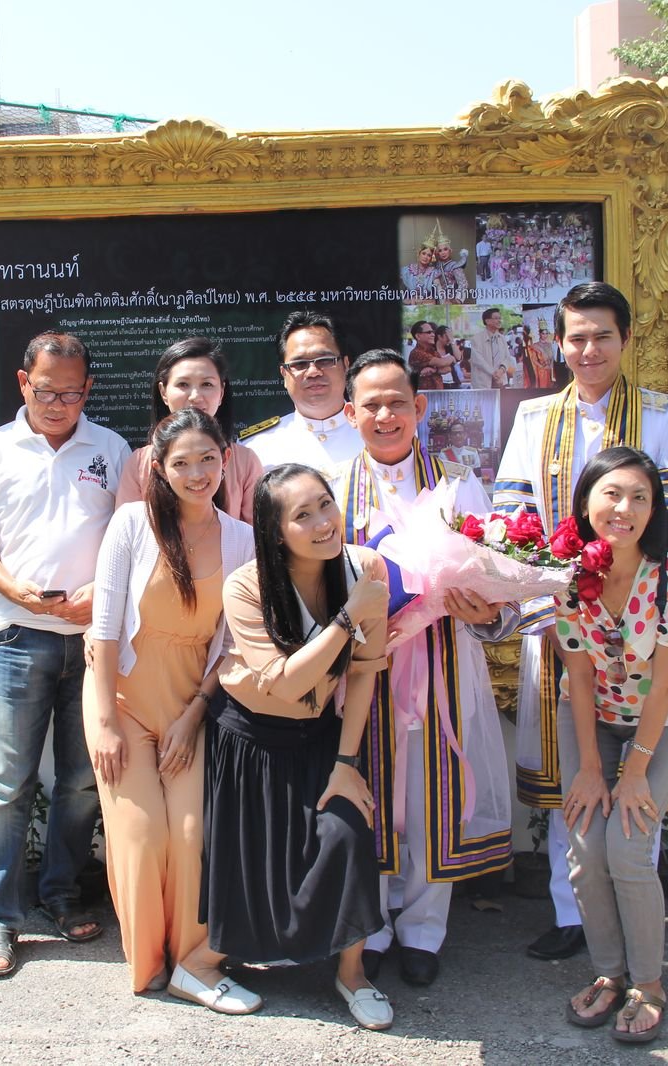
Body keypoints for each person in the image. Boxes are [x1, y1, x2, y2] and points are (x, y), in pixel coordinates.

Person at [492, 281, 668, 963]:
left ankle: (635, 919)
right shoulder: (534, 418)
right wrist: (550, 598)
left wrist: (648, 595)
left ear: (626, 340)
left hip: (646, 622)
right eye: (577, 337)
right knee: (576, 774)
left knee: (635, 783)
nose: (589, 350)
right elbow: (512, 517)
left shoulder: (665, 415)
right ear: (558, 343)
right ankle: (572, 912)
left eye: (602, 336)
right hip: (564, 618)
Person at [0, 330, 132, 978]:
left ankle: (61, 894)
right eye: (48, 391)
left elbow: (130, 536)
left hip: (93, 641)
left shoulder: (111, 449)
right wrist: (12, 588)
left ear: (89, 389)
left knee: (82, 781)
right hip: (19, 637)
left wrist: (101, 592)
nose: (59, 405)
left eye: (72, 393)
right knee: (8, 784)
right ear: (24, 383)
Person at [333, 351, 515, 987]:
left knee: (433, 795)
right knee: (371, 792)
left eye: (397, 403)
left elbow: (499, 590)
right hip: (363, 668)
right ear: (350, 412)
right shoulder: (331, 488)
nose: (385, 416)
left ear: (420, 407)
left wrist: (482, 610)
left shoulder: (459, 486)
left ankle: (424, 928)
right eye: (371, 405)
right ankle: (374, 924)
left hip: (443, 663)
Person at [198, 464, 392, 1029]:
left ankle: (352, 974)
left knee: (348, 833)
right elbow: (285, 682)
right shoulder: (246, 586)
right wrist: (348, 615)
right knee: (253, 863)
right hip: (250, 738)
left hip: (321, 736)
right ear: (275, 531)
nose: (322, 522)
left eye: (325, 504)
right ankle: (202, 965)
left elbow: (365, 669)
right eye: (302, 515)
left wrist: (346, 763)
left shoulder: (365, 568)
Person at [87, 408, 255, 995]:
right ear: (158, 468)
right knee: (142, 836)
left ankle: (192, 963)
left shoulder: (242, 540)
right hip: (122, 699)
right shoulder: (132, 524)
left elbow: (231, 645)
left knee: (190, 836)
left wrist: (193, 716)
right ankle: (148, 962)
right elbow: (104, 627)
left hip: (192, 705)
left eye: (208, 459)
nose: (197, 473)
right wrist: (106, 722)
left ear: (225, 460)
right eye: (182, 463)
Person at [556, 446, 668, 1045]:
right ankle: (608, 973)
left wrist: (634, 772)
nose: (625, 508)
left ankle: (649, 983)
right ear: (586, 501)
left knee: (629, 848)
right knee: (586, 848)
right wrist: (591, 767)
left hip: (661, 722)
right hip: (590, 716)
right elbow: (579, 674)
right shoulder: (566, 570)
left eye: (640, 497)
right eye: (612, 494)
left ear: (654, 509)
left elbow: (665, 684)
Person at [115, 337, 264, 522]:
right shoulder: (139, 463)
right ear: (163, 392)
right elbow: (127, 530)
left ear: (221, 392)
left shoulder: (246, 462)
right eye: (183, 385)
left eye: (207, 384)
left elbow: (256, 534)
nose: (195, 396)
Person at [241, 312, 361, 474]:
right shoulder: (255, 449)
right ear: (284, 374)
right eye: (299, 364)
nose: (313, 372)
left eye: (325, 360)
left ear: (346, 365)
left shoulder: (379, 433)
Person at [469, 308, 517, 390]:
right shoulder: (476, 338)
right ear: (487, 321)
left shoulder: (502, 338)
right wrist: (493, 373)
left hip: (501, 381)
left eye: (500, 318)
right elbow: (478, 360)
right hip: (483, 383)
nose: (499, 321)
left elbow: (507, 357)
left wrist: (501, 370)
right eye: (496, 318)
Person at [526, 325, 556, 389]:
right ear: (539, 334)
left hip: (550, 369)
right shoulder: (535, 345)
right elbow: (534, 360)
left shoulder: (549, 344)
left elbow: (552, 357)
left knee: (551, 387)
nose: (545, 335)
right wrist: (543, 367)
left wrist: (550, 365)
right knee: (543, 387)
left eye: (546, 333)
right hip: (542, 370)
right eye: (543, 333)